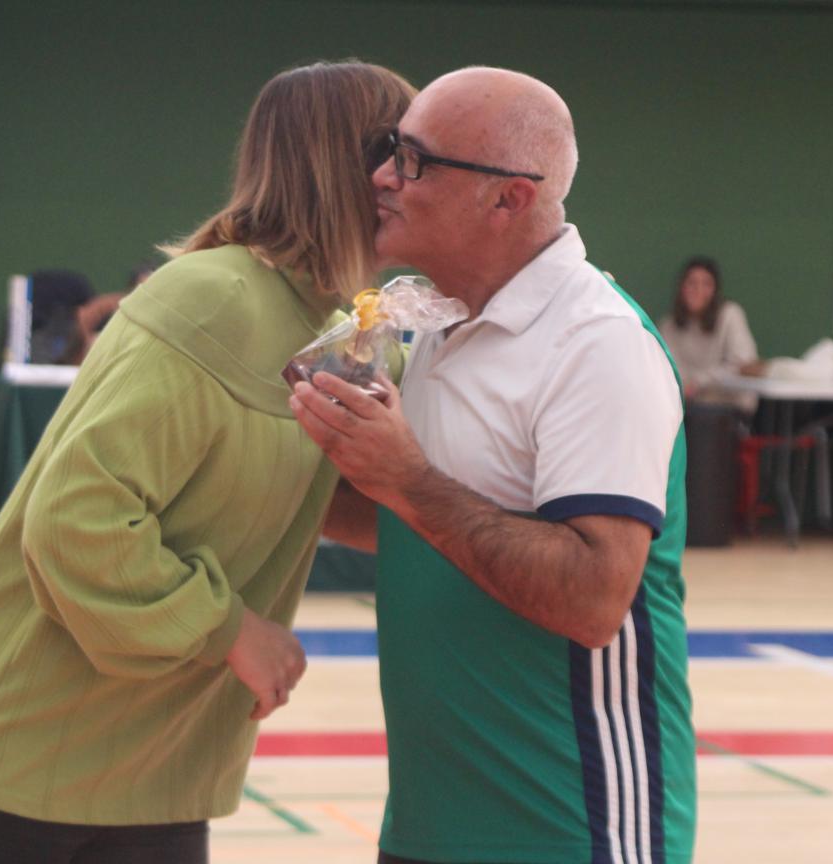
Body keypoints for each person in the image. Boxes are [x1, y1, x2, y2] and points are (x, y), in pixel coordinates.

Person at [0, 60, 414, 864]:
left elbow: (348, 505)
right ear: (351, 168)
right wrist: (232, 629)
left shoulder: (352, 334)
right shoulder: (213, 297)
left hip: (152, 776)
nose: (414, 178)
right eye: (404, 153)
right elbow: (78, 520)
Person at [290, 67, 697, 864]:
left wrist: (404, 476)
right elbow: (418, 526)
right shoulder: (435, 322)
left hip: (568, 823)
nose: (382, 177)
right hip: (429, 821)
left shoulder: (596, 343)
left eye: (414, 161)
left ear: (509, 198)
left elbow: (592, 597)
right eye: (391, 152)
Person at [658, 255, 759, 417]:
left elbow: (743, 366)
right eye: (692, 283)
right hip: (684, 408)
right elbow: (666, 371)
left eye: (706, 284)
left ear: (715, 290)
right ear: (682, 288)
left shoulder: (730, 316)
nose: (698, 290)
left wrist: (697, 383)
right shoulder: (669, 325)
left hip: (727, 409)